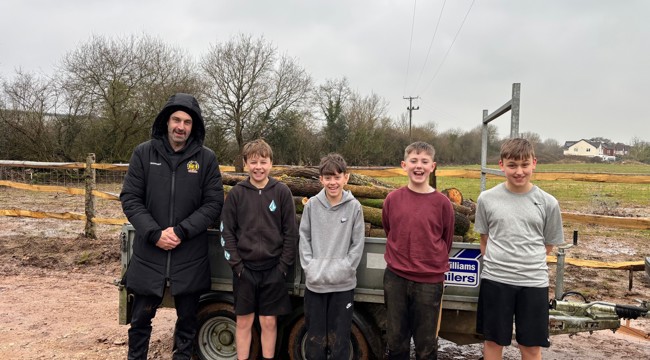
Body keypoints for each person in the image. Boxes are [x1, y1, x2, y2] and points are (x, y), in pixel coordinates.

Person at [120, 93, 224, 359]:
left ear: (194, 126)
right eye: (176, 119)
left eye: (187, 122)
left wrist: (181, 231)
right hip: (149, 254)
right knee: (140, 322)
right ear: (166, 121)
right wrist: (154, 233)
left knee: (188, 324)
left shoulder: (206, 159)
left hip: (189, 255)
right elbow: (130, 198)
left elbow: (213, 204)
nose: (181, 126)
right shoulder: (144, 153)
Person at [474, 138, 564, 360]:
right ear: (502, 165)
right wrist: (501, 265)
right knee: (493, 342)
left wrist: (526, 263)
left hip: (533, 283)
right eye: (512, 165)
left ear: (534, 163)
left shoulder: (548, 202)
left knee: (531, 347)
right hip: (496, 281)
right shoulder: (486, 199)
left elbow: (548, 244)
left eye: (524, 165)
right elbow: (484, 239)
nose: (519, 171)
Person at [221, 139, 298, 360]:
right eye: (253, 162)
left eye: (263, 162)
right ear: (245, 164)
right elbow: (226, 233)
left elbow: (290, 233)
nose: (258, 167)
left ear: (271, 163)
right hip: (244, 271)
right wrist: (237, 267)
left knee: (268, 321)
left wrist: (282, 267)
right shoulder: (236, 194)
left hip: (273, 270)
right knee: (244, 320)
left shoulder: (282, 192)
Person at [382, 141, 455, 360]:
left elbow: (446, 240)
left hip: (429, 283)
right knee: (396, 342)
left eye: (424, 161)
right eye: (413, 161)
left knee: (426, 345)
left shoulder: (443, 204)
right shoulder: (392, 199)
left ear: (433, 166)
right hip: (395, 279)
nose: (418, 166)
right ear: (404, 165)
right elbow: (390, 230)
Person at [298, 153, 365, 360]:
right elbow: (304, 238)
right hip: (315, 285)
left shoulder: (354, 207)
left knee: (340, 341)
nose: (333, 182)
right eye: (328, 178)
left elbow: (357, 245)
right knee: (315, 340)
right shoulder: (311, 206)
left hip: (342, 287)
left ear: (346, 178)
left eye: (337, 177)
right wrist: (310, 268)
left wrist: (344, 269)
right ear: (321, 179)